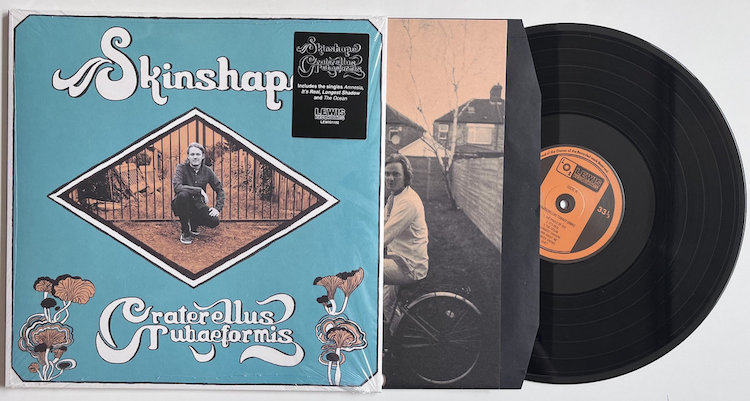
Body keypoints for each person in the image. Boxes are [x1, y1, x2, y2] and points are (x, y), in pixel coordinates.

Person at [383, 153, 428, 329]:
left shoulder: (408, 202)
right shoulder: (395, 196)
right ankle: (397, 338)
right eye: (387, 173)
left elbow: (384, 236)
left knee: (363, 271)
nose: (390, 178)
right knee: (386, 304)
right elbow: (381, 225)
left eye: (396, 174)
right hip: (397, 259)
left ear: (406, 176)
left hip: (409, 266)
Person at [171, 142, 224, 244]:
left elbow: (219, 189)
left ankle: (193, 222)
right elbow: (177, 187)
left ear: (203, 156)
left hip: (198, 205)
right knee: (183, 195)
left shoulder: (207, 171)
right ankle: (185, 231)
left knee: (214, 221)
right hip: (181, 203)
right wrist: (199, 190)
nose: (195, 157)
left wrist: (218, 208)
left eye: (198, 154)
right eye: (192, 154)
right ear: (188, 156)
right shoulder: (181, 168)